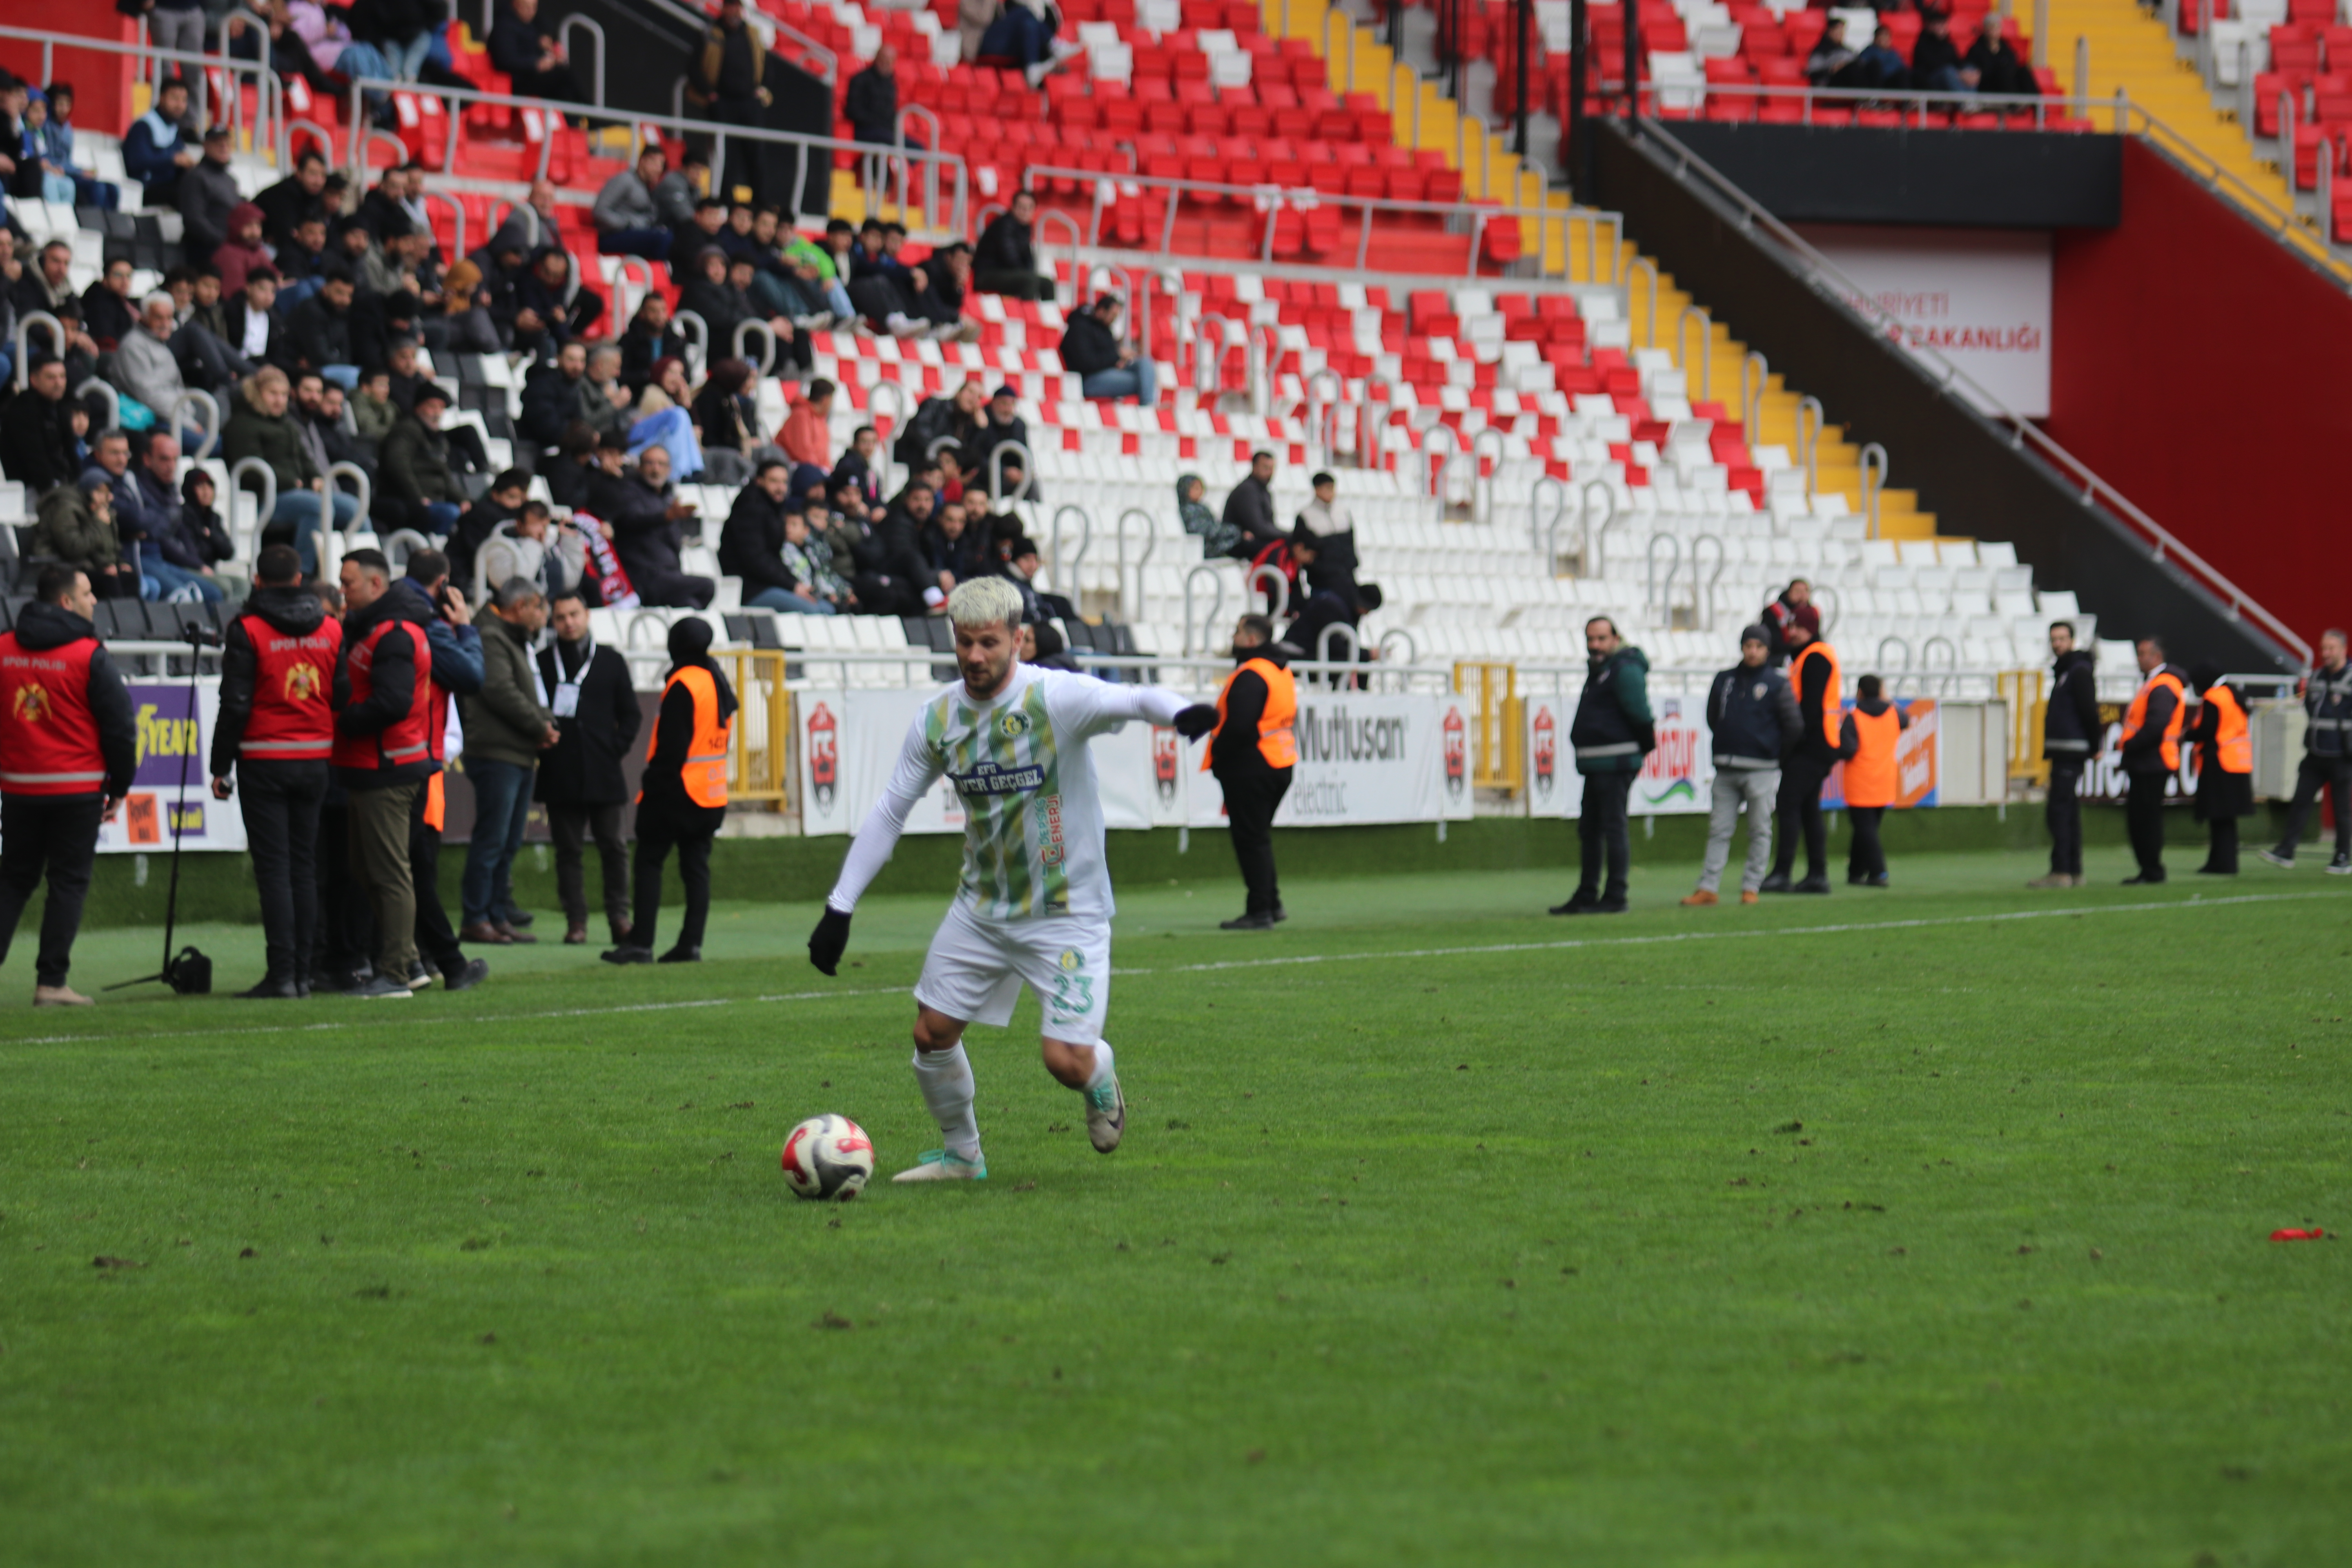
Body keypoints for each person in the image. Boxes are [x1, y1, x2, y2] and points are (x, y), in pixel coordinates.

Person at [803, 577, 1218, 1183]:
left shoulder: (1057, 699)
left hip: (1066, 910)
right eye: (965, 643)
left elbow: (1133, 699)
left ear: (1020, 640)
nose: (975, 656)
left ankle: (1098, 1075)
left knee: (1066, 1063)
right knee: (931, 1031)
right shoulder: (939, 718)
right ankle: (963, 1156)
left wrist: (1181, 712)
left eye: (990, 643)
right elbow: (892, 810)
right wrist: (839, 908)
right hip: (982, 909)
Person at [0, 565, 136, 1007]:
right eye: (87, 592)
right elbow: (120, 728)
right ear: (66, 602)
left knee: (14, 879)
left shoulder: (4, 648)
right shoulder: (87, 653)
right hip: (76, 788)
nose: (94, 600)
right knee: (68, 882)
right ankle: (51, 982)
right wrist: (120, 785)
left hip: (18, 786)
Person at [209, 543, 340, 996]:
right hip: (316, 758)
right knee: (304, 866)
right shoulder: (329, 627)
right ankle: (304, 973)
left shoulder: (247, 628)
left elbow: (236, 702)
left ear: (258, 581)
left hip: (264, 759)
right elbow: (340, 695)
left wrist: (219, 764)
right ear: (301, 580)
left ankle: (282, 974)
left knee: (274, 869)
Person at [331, 549, 435, 998]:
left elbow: (392, 702)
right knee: (372, 868)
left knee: (388, 872)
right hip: (384, 762)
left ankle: (395, 973)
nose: (342, 592)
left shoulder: (391, 634)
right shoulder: (388, 628)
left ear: (376, 585)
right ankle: (406, 961)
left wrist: (344, 718)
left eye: (348, 583)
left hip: (386, 766)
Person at [603, 617, 736, 965]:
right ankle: (690, 944)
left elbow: (672, 749)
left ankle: (641, 943)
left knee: (649, 862)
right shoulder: (717, 679)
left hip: (677, 792)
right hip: (710, 793)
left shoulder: (683, 683)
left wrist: (652, 785)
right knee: (696, 869)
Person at [458, 578, 560, 946]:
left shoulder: (506, 637)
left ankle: (497, 916)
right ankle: (476, 917)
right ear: (522, 606)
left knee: (507, 840)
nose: (540, 619)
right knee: (493, 839)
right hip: (496, 751)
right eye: (538, 610)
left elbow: (521, 689)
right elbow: (500, 690)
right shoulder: (491, 637)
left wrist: (544, 722)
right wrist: (540, 726)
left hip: (514, 751)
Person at [535, 588, 639, 946]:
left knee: (614, 846)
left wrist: (615, 749)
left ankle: (619, 918)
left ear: (587, 615)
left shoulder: (611, 660)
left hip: (604, 771)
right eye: (561, 617)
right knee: (569, 851)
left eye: (574, 615)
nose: (569, 623)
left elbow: (632, 714)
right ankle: (576, 922)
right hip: (560, 772)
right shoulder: (542, 662)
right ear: (553, 621)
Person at [1684, 625, 1798, 907]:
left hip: (1762, 769)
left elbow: (1794, 726)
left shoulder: (1777, 683)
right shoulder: (1725, 680)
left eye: (1759, 646)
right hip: (1726, 767)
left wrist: (1774, 755)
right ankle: (1708, 888)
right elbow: (1713, 716)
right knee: (1719, 829)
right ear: (1742, 648)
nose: (1753, 651)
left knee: (1760, 830)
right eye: (1749, 646)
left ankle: (1751, 887)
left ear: (1767, 650)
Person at [1552, 617, 1652, 915]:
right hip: (1597, 763)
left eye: (1601, 639)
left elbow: (1641, 715)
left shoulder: (1624, 670)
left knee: (1612, 827)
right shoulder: (1602, 671)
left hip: (1616, 762)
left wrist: (1639, 750)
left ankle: (1615, 895)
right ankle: (1588, 893)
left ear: (1615, 638)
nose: (1595, 645)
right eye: (1590, 639)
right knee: (1591, 830)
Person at [1209, 613, 1298, 930]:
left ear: (1250, 639)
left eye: (1236, 631)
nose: (1233, 638)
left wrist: (1218, 751)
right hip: (1280, 761)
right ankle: (1271, 903)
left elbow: (1240, 725)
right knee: (1258, 838)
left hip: (1251, 765)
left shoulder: (1250, 674)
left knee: (1251, 839)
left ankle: (1260, 909)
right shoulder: (1279, 669)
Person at [1759, 616, 1842, 893]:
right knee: (1808, 810)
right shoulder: (1811, 655)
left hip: (1812, 745)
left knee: (1788, 803)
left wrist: (1791, 744)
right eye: (1791, 627)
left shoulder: (1815, 657)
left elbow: (1809, 708)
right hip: (1820, 743)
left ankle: (1784, 872)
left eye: (1799, 628)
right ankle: (1817, 874)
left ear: (1813, 629)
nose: (1792, 633)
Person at [2259, 627, 2352, 873]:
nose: (2326, 653)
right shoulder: (2317, 677)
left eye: (2331, 649)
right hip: (2315, 751)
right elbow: (2310, 706)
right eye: (2323, 648)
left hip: (2341, 754)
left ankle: (2342, 856)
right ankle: (2286, 851)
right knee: (2301, 802)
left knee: (2342, 808)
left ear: (2344, 650)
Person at [2030, 620, 2101, 889]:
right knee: (2067, 809)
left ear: (2072, 640)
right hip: (2065, 749)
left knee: (2059, 810)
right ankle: (2073, 870)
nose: (2057, 644)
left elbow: (2089, 710)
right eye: (2054, 639)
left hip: (2071, 750)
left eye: (2062, 639)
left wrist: (2095, 745)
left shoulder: (2077, 671)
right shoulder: (2066, 671)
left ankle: (2061, 871)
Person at [2115, 635, 2186, 886]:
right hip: (2150, 760)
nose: (2139, 659)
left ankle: (2152, 870)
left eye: (2143, 653)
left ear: (2157, 657)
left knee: (2145, 819)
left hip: (2152, 760)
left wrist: (2132, 745)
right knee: (2144, 818)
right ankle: (2149, 869)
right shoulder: (2157, 683)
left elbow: (2156, 724)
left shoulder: (2162, 685)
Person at [687, 0, 773, 204]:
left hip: (749, 103)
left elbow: (766, 64)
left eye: (737, 6)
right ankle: (726, 202)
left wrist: (763, 89)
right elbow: (693, 68)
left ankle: (761, 204)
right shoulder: (710, 33)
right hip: (723, 102)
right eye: (730, 6)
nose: (734, 11)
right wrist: (709, 94)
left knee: (756, 155)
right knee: (725, 156)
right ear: (723, 8)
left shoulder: (753, 34)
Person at [1839, 674, 1908, 887]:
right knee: (1867, 829)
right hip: (1885, 779)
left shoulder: (1854, 716)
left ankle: (1879, 873)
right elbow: (1906, 720)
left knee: (1865, 829)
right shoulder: (1894, 713)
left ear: (1859, 692)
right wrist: (1887, 699)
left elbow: (1848, 750)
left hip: (1860, 780)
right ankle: (1855, 872)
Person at [2189, 662, 2254, 877]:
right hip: (2239, 760)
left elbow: (2207, 730)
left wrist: (2186, 735)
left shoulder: (2214, 697)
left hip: (2219, 760)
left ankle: (2224, 864)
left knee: (2219, 815)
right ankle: (2219, 861)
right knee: (2226, 817)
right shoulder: (2233, 692)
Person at [380, 381, 468, 537]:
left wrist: (462, 500)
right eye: (432, 407)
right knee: (450, 513)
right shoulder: (407, 429)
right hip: (412, 500)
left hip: (436, 499)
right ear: (418, 407)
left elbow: (445, 474)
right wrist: (418, 497)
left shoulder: (438, 438)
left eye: (441, 408)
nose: (437, 413)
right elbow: (398, 465)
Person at [33, 473, 137, 601]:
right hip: (60, 566)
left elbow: (109, 548)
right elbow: (74, 548)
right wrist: (98, 524)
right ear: (88, 491)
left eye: (108, 493)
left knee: (129, 578)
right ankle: (113, 620)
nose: (109, 498)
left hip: (84, 563)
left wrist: (119, 563)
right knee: (109, 581)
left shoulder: (95, 509)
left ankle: (132, 620)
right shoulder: (66, 508)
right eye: (101, 492)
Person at [0, 354, 86, 495]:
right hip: (29, 490)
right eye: (51, 378)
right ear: (34, 380)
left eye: (62, 377)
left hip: (60, 485)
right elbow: (36, 462)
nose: (59, 383)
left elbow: (71, 452)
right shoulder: (22, 411)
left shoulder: (61, 407)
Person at [1057, 293, 1156, 405]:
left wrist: (1119, 360)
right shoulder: (1080, 329)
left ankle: (1148, 406)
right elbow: (1087, 363)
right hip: (1089, 379)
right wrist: (1117, 355)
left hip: (1107, 373)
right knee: (1143, 382)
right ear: (1101, 311)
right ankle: (1147, 408)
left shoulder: (1105, 330)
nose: (1114, 320)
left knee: (1145, 363)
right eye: (1113, 315)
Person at [487, 0, 585, 105]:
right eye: (526, 7)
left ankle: (576, 118)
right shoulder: (503, 27)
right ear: (515, 5)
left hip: (530, 76)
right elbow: (506, 60)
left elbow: (544, 34)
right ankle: (591, 113)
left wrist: (551, 51)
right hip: (515, 81)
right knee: (563, 75)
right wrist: (536, 64)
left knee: (563, 80)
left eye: (534, 8)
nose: (531, 12)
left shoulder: (532, 26)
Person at [122, 78, 200, 205]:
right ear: (162, 98)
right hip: (146, 188)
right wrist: (172, 160)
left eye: (184, 100)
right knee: (190, 197)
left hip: (168, 186)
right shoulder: (144, 125)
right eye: (174, 99)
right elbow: (136, 161)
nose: (179, 105)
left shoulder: (173, 128)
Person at [594, 144, 674, 262]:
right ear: (643, 161)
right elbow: (599, 211)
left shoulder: (649, 188)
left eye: (662, 165)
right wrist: (626, 224)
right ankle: (659, 274)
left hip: (636, 234)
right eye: (655, 163)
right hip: (612, 235)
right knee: (662, 239)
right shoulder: (624, 180)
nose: (658, 169)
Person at [177, 129, 245, 268]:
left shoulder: (230, 180)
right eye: (218, 143)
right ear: (206, 146)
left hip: (230, 248)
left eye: (227, 143)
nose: (224, 147)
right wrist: (224, 242)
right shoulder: (196, 177)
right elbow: (194, 220)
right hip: (205, 250)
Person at [973, 189, 1051, 299]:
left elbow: (1028, 257)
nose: (1025, 211)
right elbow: (1009, 257)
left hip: (1008, 273)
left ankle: (1046, 316)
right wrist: (1028, 274)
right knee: (1029, 281)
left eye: (1030, 208)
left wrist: (1029, 273)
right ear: (1013, 207)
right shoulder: (1004, 225)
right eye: (1022, 207)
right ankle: (1027, 314)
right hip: (988, 274)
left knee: (1047, 284)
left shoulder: (1025, 228)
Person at [1292, 471, 1359, 599]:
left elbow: (1351, 542)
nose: (1331, 492)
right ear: (1317, 489)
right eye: (1327, 488)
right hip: (1323, 582)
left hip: (1347, 578)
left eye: (1333, 488)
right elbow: (1300, 549)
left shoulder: (1343, 513)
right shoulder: (1306, 516)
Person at [1222, 450, 1285, 561]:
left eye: (1272, 468)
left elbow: (1267, 527)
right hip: (1237, 544)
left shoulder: (1263, 491)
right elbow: (1259, 528)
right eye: (1266, 468)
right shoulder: (1248, 490)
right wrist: (1290, 536)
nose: (1270, 472)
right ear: (1254, 467)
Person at [845, 44, 898, 148]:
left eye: (890, 61)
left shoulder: (891, 84)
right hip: (865, 130)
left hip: (885, 130)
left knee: (916, 147)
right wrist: (877, 121)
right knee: (891, 141)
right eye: (884, 59)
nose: (887, 64)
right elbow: (853, 110)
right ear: (877, 58)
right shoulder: (860, 80)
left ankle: (891, 165)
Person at [1910, 10, 1973, 95]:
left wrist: (1968, 72)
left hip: (1951, 78)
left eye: (1944, 24)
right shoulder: (1922, 44)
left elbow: (1957, 62)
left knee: (1970, 69)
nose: (1943, 27)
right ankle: (1965, 102)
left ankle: (1972, 101)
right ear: (1930, 26)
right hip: (1929, 81)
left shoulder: (1949, 45)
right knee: (1948, 72)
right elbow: (1931, 65)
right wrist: (1958, 74)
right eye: (1939, 24)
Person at [1759, 579, 1816, 667]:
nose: (1802, 595)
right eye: (1797, 591)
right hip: (1778, 657)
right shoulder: (1773, 612)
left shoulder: (1812, 614)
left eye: (1806, 591)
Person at [782, 377, 835, 469]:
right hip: (799, 469)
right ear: (826, 400)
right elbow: (804, 451)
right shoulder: (801, 415)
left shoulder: (819, 419)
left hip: (815, 470)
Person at [1806, 18, 1856, 87]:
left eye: (1843, 31)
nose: (1841, 34)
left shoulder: (1848, 51)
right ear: (1830, 31)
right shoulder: (1820, 51)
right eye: (1838, 31)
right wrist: (1833, 70)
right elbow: (1813, 73)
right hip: (1830, 83)